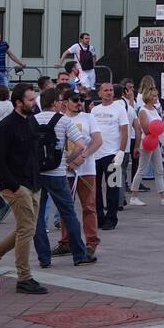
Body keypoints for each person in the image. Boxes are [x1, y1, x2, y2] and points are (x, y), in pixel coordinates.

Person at [0, 83, 47, 294]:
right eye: (30, 100)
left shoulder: (31, 121)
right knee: (27, 228)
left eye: (34, 98)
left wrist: (37, 180)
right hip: (16, 185)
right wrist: (12, 184)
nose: (34, 102)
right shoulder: (5, 126)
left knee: (25, 228)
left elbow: (34, 154)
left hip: (33, 183)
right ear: (18, 102)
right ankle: (24, 277)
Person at [33, 87, 97, 267]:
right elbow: (81, 145)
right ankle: (79, 255)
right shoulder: (63, 120)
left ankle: (44, 258)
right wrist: (67, 159)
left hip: (37, 174)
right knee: (68, 213)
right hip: (58, 172)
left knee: (37, 216)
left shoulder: (32, 121)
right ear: (55, 103)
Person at [54, 90, 100, 258]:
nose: (79, 102)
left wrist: (82, 157)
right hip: (64, 171)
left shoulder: (89, 118)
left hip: (86, 169)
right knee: (65, 208)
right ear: (65, 102)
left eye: (82, 99)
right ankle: (66, 242)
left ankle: (91, 242)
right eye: (75, 99)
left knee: (88, 206)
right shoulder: (59, 119)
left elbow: (97, 141)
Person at [89, 80, 129, 231]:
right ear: (99, 93)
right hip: (95, 155)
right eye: (105, 90)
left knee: (113, 187)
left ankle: (111, 219)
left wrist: (121, 152)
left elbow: (125, 131)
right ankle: (99, 218)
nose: (108, 92)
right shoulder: (94, 111)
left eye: (111, 90)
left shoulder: (119, 109)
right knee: (96, 189)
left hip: (112, 154)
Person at [130, 83, 164, 205]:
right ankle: (134, 196)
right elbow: (147, 130)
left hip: (155, 141)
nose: (156, 98)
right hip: (147, 142)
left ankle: (163, 197)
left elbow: (157, 126)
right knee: (141, 168)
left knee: (159, 170)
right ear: (148, 97)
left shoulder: (154, 109)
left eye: (157, 96)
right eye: (154, 96)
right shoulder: (143, 111)